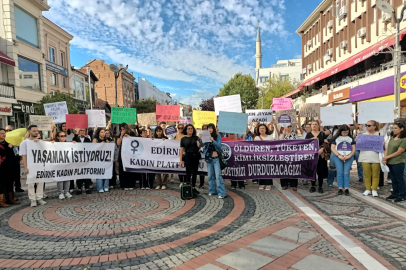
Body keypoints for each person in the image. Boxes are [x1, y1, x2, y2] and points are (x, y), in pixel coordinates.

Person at [19, 125, 47, 207]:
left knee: (40, 182)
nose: (36, 132)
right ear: (29, 132)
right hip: (30, 165)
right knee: (31, 183)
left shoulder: (39, 142)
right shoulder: (24, 143)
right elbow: (23, 155)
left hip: (40, 165)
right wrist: (25, 167)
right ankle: (32, 199)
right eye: (34, 131)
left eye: (37, 131)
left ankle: (39, 198)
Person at [383, 121, 406, 202]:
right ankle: (394, 194)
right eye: (393, 128)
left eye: (396, 128)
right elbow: (388, 148)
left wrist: (387, 157)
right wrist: (385, 157)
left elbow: (399, 151)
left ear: (402, 129)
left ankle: (402, 195)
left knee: (399, 179)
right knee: (393, 179)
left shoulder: (403, 139)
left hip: (398, 162)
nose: (394, 130)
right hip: (390, 162)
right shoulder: (392, 137)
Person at [202, 123, 226, 199]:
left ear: (214, 129)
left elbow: (219, 147)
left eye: (211, 128)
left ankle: (221, 192)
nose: (210, 129)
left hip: (216, 158)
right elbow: (202, 145)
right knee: (210, 176)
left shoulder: (217, 136)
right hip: (209, 158)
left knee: (218, 175)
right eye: (208, 128)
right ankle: (212, 190)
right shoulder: (205, 136)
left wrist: (213, 141)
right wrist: (200, 138)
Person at [330, 125, 356, 196]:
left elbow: (353, 148)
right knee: (340, 172)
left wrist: (349, 156)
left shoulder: (350, 138)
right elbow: (333, 148)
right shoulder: (336, 137)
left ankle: (347, 188)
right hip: (338, 156)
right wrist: (339, 155)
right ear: (340, 131)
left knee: (346, 172)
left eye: (347, 132)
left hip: (349, 157)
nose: (345, 134)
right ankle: (340, 188)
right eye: (344, 132)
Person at [358, 120, 381, 197]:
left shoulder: (379, 135)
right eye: (366, 125)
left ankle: (374, 190)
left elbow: (384, 146)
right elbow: (358, 144)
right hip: (365, 157)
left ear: (374, 127)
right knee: (367, 174)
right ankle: (368, 189)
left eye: (369, 125)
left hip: (376, 157)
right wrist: (357, 141)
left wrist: (384, 144)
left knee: (376, 174)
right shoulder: (363, 135)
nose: (367, 127)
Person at [306, 121, 328, 193]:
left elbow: (326, 142)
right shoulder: (308, 135)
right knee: (312, 170)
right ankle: (313, 186)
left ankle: (320, 186)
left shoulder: (322, 134)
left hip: (320, 155)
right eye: (313, 124)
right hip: (312, 156)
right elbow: (305, 144)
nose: (314, 126)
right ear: (311, 126)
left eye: (316, 124)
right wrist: (311, 139)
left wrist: (322, 148)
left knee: (320, 171)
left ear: (318, 126)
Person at [0, 128, 19, 207]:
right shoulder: (5, 145)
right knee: (1, 184)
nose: (4, 134)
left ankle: (10, 199)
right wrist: (9, 148)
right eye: (1, 133)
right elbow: (3, 153)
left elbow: (11, 156)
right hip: (1, 168)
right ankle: (1, 201)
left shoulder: (8, 143)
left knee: (10, 183)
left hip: (9, 167)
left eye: (4, 133)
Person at [53, 131, 74, 199]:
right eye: (61, 136)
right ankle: (61, 193)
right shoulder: (55, 144)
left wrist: (74, 144)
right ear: (58, 137)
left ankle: (66, 192)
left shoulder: (68, 144)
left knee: (67, 178)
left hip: (67, 164)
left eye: (64, 136)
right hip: (59, 164)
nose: (63, 137)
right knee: (60, 179)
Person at [117, 123, 137, 190]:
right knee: (122, 168)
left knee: (130, 168)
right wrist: (121, 136)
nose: (122, 130)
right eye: (121, 129)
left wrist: (129, 137)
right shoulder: (120, 134)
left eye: (123, 129)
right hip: (122, 152)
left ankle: (131, 184)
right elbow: (118, 143)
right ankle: (124, 184)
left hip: (130, 152)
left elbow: (136, 141)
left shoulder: (132, 133)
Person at [72, 127, 92, 194]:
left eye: (84, 131)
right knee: (79, 174)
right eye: (81, 131)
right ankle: (79, 189)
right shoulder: (76, 138)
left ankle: (87, 188)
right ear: (79, 132)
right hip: (78, 159)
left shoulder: (88, 139)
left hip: (86, 159)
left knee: (86, 174)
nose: (82, 132)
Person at [280, 124, 299, 191]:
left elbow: (297, 144)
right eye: (288, 126)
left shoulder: (295, 135)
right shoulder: (281, 135)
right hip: (284, 155)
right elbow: (280, 144)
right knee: (284, 169)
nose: (289, 127)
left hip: (293, 155)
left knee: (293, 169)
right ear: (285, 127)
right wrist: (283, 134)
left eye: (290, 126)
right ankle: (284, 184)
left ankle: (293, 184)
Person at [5, 125, 24, 193]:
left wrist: (21, 158)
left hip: (17, 157)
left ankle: (18, 187)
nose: (8, 132)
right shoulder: (5, 139)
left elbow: (21, 148)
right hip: (8, 159)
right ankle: (10, 191)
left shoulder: (17, 138)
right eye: (6, 130)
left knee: (17, 173)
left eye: (9, 130)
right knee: (10, 175)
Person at [254, 124, 273, 190]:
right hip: (260, 156)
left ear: (265, 129)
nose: (262, 129)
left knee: (268, 169)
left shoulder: (270, 137)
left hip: (268, 156)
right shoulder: (256, 138)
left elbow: (273, 146)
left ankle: (268, 184)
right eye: (260, 128)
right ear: (258, 130)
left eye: (263, 128)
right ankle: (262, 183)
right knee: (261, 169)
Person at [93, 128, 109, 193]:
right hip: (98, 159)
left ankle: (106, 186)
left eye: (104, 132)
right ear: (98, 133)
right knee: (99, 173)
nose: (103, 133)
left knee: (106, 172)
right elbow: (92, 148)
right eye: (102, 132)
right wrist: (100, 145)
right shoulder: (95, 139)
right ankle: (100, 187)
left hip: (105, 159)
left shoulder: (107, 140)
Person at [174, 124, 186, 188]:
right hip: (177, 154)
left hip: (184, 154)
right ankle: (181, 181)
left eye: (182, 128)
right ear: (177, 128)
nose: (180, 129)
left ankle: (185, 181)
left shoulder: (185, 136)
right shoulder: (175, 136)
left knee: (185, 168)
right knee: (180, 168)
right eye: (179, 128)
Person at [198, 124, 208, 188]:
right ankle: (201, 183)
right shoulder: (200, 136)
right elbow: (198, 145)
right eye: (203, 128)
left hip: (207, 154)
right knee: (201, 169)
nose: (204, 129)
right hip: (201, 155)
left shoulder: (209, 136)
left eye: (206, 128)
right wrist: (199, 139)